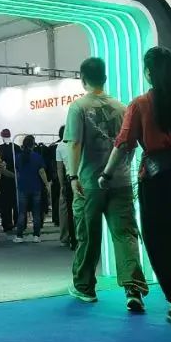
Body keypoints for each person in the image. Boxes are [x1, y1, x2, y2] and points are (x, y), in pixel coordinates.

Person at [100, 46, 171, 336]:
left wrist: (106, 174)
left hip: (155, 186)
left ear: (149, 73)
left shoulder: (140, 105)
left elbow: (123, 143)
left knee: (161, 247)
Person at [63, 57, 147, 310]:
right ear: (105, 78)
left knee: (88, 236)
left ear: (82, 79)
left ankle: (85, 287)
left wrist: (73, 176)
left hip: (88, 182)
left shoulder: (78, 107)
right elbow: (130, 144)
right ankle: (133, 288)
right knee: (125, 234)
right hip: (120, 181)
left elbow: (74, 144)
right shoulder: (122, 108)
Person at [13, 135, 51, 242]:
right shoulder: (37, 157)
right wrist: (47, 184)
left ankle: (19, 236)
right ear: (33, 145)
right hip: (36, 187)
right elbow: (41, 172)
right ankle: (36, 236)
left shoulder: (18, 157)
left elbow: (17, 172)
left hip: (22, 187)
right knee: (36, 213)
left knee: (22, 212)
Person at [55, 125, 75, 249]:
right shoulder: (77, 142)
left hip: (69, 180)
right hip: (82, 177)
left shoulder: (59, 147)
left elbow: (59, 169)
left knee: (67, 210)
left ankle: (66, 238)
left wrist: (62, 185)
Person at [0, 130, 18, 233]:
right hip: (16, 178)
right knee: (16, 203)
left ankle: (7, 224)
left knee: (5, 204)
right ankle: (18, 223)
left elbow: (1, 163)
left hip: (5, 179)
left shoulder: (0, 148)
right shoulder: (16, 147)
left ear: (2, 137)